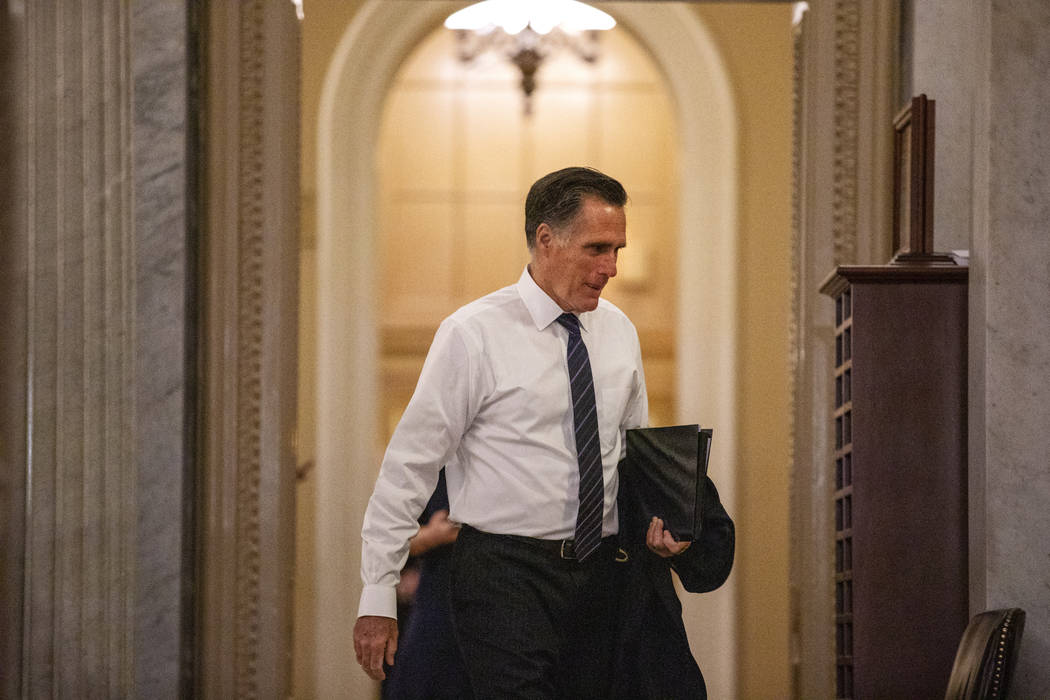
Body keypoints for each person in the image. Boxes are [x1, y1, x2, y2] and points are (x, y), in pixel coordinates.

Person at [354, 166, 657, 698]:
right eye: (596, 248)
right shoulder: (472, 334)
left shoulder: (620, 331)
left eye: (618, 250)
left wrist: (666, 524)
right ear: (546, 238)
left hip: (603, 575)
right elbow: (408, 468)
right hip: (503, 575)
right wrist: (377, 596)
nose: (610, 267)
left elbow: (637, 455)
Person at [612, 474, 735, 699]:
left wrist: (684, 540)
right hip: (557, 632)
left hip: (644, 650)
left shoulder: (647, 444)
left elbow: (713, 560)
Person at [381, 469, 472, 700]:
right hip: (440, 598)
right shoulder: (434, 463)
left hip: (501, 596)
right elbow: (389, 536)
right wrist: (434, 535)